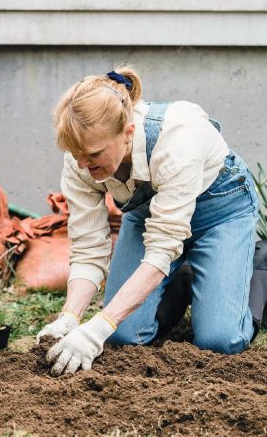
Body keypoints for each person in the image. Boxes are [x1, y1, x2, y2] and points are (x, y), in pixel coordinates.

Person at [37, 66, 260, 375]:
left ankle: (254, 268)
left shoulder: (177, 139)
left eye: (93, 155)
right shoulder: (80, 158)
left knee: (221, 340)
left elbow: (160, 250)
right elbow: (89, 248)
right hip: (151, 217)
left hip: (220, 211)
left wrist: (97, 326)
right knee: (122, 336)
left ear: (127, 134)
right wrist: (70, 317)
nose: (83, 166)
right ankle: (181, 278)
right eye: (76, 156)